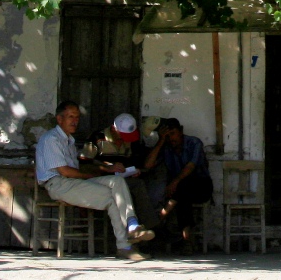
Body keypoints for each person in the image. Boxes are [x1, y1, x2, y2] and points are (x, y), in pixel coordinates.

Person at [35, 101, 155, 260]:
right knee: (113, 196)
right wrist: (91, 177)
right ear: (59, 119)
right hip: (59, 184)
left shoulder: (69, 141)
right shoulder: (51, 139)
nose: (75, 121)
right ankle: (124, 246)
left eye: (77, 117)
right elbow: (65, 171)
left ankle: (132, 226)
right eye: (71, 117)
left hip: (73, 182)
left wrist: (107, 170)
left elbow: (79, 170)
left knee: (117, 182)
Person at [142, 117, 213, 245]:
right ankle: (186, 241)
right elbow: (147, 165)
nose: (171, 138)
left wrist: (175, 182)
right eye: (167, 136)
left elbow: (190, 167)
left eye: (173, 133)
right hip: (180, 191)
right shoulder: (166, 147)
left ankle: (160, 217)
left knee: (183, 185)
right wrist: (160, 141)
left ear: (181, 131)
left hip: (201, 186)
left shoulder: (194, 143)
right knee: (182, 195)